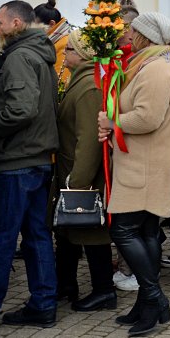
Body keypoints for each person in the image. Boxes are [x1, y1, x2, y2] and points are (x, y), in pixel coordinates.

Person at [0, 1, 58, 335]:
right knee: (36, 236)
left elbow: (22, 109)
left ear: (17, 23)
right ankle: (43, 305)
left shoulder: (20, 57)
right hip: (35, 158)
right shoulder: (38, 54)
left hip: (18, 160)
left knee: (2, 239)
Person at [97, 12, 170, 336]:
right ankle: (147, 303)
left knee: (123, 230)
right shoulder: (151, 65)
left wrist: (112, 122)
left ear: (147, 36)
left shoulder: (157, 70)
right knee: (145, 233)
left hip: (146, 166)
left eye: (134, 32)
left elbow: (147, 118)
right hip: (145, 163)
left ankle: (155, 297)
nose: (129, 36)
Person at [53, 30, 114, 313]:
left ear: (82, 54)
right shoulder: (81, 80)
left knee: (91, 232)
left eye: (69, 50)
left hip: (82, 174)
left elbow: (89, 139)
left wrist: (78, 182)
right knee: (68, 231)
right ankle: (65, 284)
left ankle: (104, 290)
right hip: (72, 170)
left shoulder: (89, 86)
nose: (64, 54)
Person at [33, 0, 73, 89]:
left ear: (51, 24)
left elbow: (61, 82)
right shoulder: (54, 40)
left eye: (35, 26)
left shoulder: (64, 43)